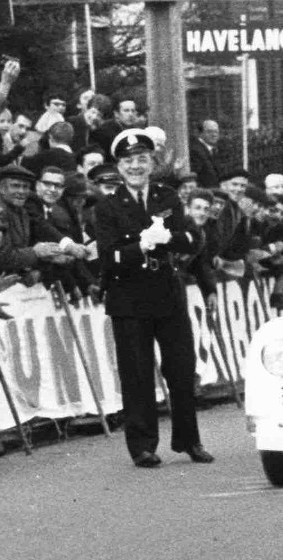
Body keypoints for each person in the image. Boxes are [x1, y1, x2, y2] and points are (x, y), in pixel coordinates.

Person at [94, 128, 213, 468]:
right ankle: (142, 446)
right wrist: (141, 246)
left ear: (152, 162)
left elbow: (192, 239)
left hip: (167, 292)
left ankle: (189, 440)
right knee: (137, 373)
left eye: (142, 159)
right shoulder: (107, 206)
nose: (136, 166)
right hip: (129, 297)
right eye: (128, 161)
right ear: (119, 166)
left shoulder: (167, 197)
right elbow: (109, 256)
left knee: (181, 368)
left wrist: (168, 238)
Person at [190, 119, 221, 190]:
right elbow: (195, 177)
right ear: (200, 133)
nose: (214, 135)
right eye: (210, 132)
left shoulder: (213, 150)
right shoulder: (195, 151)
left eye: (216, 132)